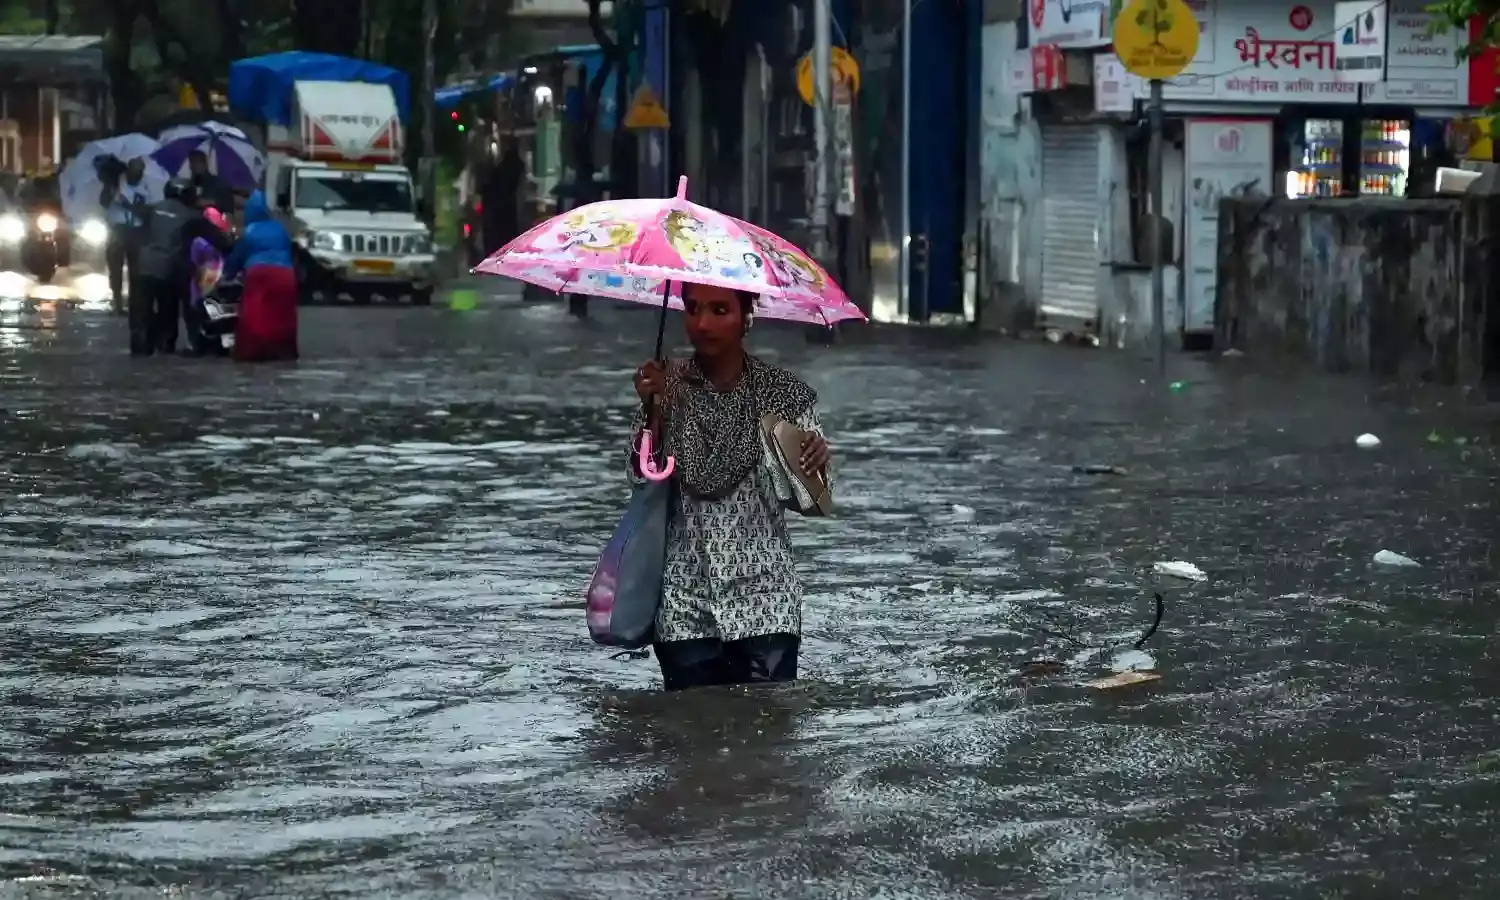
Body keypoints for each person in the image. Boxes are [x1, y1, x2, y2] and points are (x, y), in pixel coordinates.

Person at [629, 283, 833, 691]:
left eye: (720, 310)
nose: (702, 323)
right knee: (691, 740)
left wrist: (813, 461)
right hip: (685, 603)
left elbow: (813, 500)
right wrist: (652, 412)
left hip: (766, 601)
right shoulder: (665, 386)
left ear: (746, 315)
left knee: (767, 741)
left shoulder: (783, 395)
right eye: (692, 309)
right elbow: (639, 480)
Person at [133, 179, 231, 356]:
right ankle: (168, 346)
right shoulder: (191, 216)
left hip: (144, 266)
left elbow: (136, 230)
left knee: (143, 312)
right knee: (171, 308)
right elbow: (218, 239)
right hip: (171, 268)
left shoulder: (152, 209)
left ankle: (143, 347)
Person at [220, 190, 297, 362]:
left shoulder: (249, 232)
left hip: (259, 274)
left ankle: (252, 352)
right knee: (282, 315)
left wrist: (226, 274)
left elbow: (236, 258)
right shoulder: (280, 229)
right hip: (286, 275)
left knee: (255, 314)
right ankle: (284, 352)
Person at [102, 158, 152, 316]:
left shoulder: (145, 187)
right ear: (128, 170)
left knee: (136, 271)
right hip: (117, 229)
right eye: (134, 170)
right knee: (115, 268)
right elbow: (103, 202)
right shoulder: (116, 182)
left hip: (136, 230)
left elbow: (147, 211)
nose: (137, 174)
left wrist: (129, 206)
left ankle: (134, 304)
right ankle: (117, 303)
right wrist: (109, 187)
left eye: (140, 171)